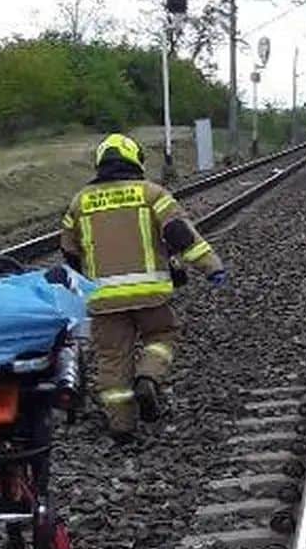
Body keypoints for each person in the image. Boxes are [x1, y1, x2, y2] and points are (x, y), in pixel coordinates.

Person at [59, 134, 226, 443]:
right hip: (150, 296)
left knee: (111, 358)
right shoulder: (152, 195)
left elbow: (69, 252)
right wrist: (211, 266)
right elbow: (182, 237)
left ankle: (121, 426)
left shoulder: (80, 202)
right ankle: (148, 376)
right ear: (135, 159)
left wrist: (79, 289)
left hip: (103, 299)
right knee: (161, 336)